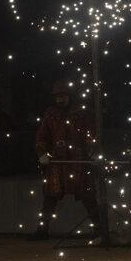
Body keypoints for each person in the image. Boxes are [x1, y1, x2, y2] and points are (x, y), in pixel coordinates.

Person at [28, 79, 107, 243]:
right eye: (58, 96)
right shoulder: (50, 113)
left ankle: (99, 228)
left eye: (63, 96)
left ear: (70, 96)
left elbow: (91, 135)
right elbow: (42, 136)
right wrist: (42, 153)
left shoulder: (82, 113)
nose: (60, 99)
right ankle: (43, 229)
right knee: (50, 197)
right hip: (57, 162)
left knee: (88, 195)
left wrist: (92, 152)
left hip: (78, 160)